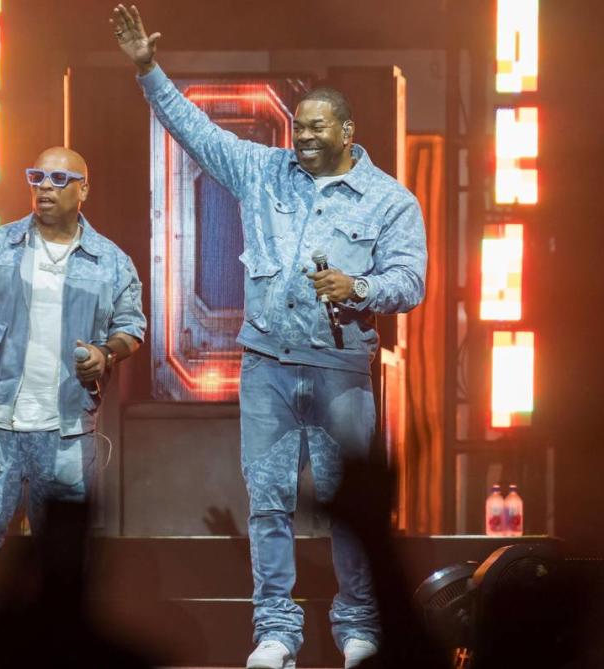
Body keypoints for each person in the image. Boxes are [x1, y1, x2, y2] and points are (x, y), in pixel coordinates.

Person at [110, 5, 427, 668]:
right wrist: (147, 69)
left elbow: (411, 281)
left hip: (340, 369)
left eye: (317, 127)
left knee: (349, 508)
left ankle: (358, 626)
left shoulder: (390, 200)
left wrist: (359, 288)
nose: (304, 137)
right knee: (269, 499)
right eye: (299, 127)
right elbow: (193, 131)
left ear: (346, 129)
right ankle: (276, 630)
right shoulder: (263, 172)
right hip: (267, 367)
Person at [0, 146, 146, 666]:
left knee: (64, 539)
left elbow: (132, 330)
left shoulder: (111, 260)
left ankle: (60, 623)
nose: (45, 188)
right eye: (37, 177)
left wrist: (106, 353)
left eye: (59, 179)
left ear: (84, 188)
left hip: (67, 423)